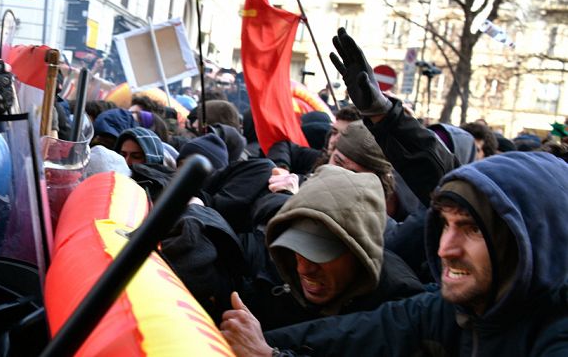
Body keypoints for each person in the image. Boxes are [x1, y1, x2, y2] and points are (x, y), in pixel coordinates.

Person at [223, 152, 568, 356]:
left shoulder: (557, 334)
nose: (446, 249)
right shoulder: (453, 307)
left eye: (472, 229)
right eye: (445, 225)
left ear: (530, 239)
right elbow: (351, 335)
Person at [225, 165, 422, 335]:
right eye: (296, 248)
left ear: (360, 252)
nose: (303, 269)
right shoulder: (284, 263)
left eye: (319, 254)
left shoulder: (398, 307)